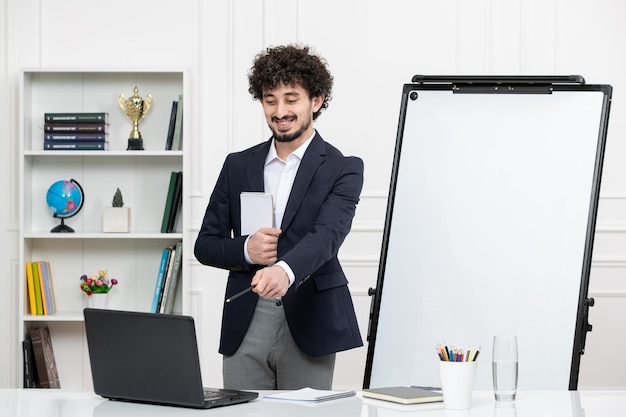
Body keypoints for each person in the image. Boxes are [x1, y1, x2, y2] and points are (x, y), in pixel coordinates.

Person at [194, 44, 363, 390]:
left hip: (309, 320)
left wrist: (284, 271)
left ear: (315, 101)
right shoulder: (237, 165)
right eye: (270, 100)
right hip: (245, 319)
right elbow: (205, 245)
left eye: (291, 99)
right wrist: (246, 250)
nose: (280, 110)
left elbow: (327, 235)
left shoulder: (344, 168)